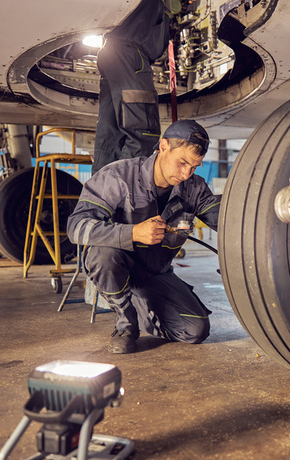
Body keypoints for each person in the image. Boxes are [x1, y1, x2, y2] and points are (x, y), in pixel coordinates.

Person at [67, 119, 221, 354]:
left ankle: (140, 303)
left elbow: (226, 219)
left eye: (194, 166)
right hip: (118, 266)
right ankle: (126, 322)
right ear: (164, 146)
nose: (186, 173)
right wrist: (132, 233)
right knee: (103, 253)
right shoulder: (118, 177)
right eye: (182, 162)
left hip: (156, 273)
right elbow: (76, 227)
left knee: (195, 330)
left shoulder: (194, 188)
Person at [92, 0, 170, 174]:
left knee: (111, 138)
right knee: (143, 133)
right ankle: (122, 192)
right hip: (131, 53)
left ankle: (101, 196)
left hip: (115, 49)